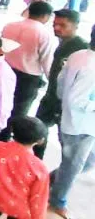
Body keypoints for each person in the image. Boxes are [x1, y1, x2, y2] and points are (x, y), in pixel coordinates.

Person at [49, 37, 95, 216]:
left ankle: (53, 179)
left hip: (77, 121)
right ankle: (57, 200)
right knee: (73, 165)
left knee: (83, 162)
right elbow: (77, 100)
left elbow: (61, 85)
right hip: (80, 125)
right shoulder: (91, 68)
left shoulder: (79, 55)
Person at [0, 1, 55, 141]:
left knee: (2, 103)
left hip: (5, 70)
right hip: (28, 78)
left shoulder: (9, 26)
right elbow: (47, 61)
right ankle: (9, 139)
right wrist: (52, 82)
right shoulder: (44, 34)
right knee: (19, 111)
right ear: (46, 16)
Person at [35, 9, 87, 158]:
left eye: (63, 25)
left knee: (66, 144)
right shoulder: (63, 43)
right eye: (55, 24)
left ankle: (61, 176)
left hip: (64, 102)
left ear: (76, 26)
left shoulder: (80, 47)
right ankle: (35, 165)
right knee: (38, 134)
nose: (57, 28)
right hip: (50, 98)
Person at [0, 116, 49, 219]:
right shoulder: (40, 168)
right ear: (40, 141)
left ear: (13, 132)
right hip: (19, 209)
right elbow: (38, 200)